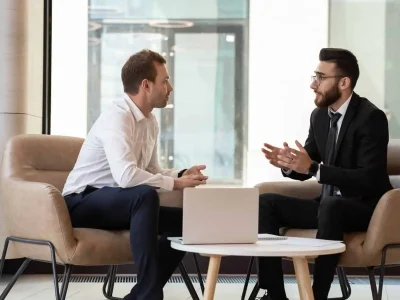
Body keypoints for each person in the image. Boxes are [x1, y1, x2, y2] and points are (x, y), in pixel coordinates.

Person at [62, 49, 208, 300]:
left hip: (120, 203)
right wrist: (174, 183)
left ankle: (140, 295)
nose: (170, 87)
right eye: (165, 80)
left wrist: (183, 174)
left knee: (187, 224)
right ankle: (150, 296)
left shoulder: (150, 121)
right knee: (145, 196)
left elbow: (151, 171)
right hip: (80, 201)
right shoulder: (117, 116)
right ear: (146, 85)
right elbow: (127, 177)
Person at [258, 48, 393, 300]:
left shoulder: (371, 118)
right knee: (266, 202)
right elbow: (308, 162)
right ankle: (274, 293)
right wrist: (288, 163)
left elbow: (368, 179)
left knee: (332, 205)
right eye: (314, 76)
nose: (313, 84)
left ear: (344, 82)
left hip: (368, 209)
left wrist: (312, 168)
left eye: (320, 77)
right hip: (328, 206)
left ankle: (316, 296)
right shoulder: (320, 116)